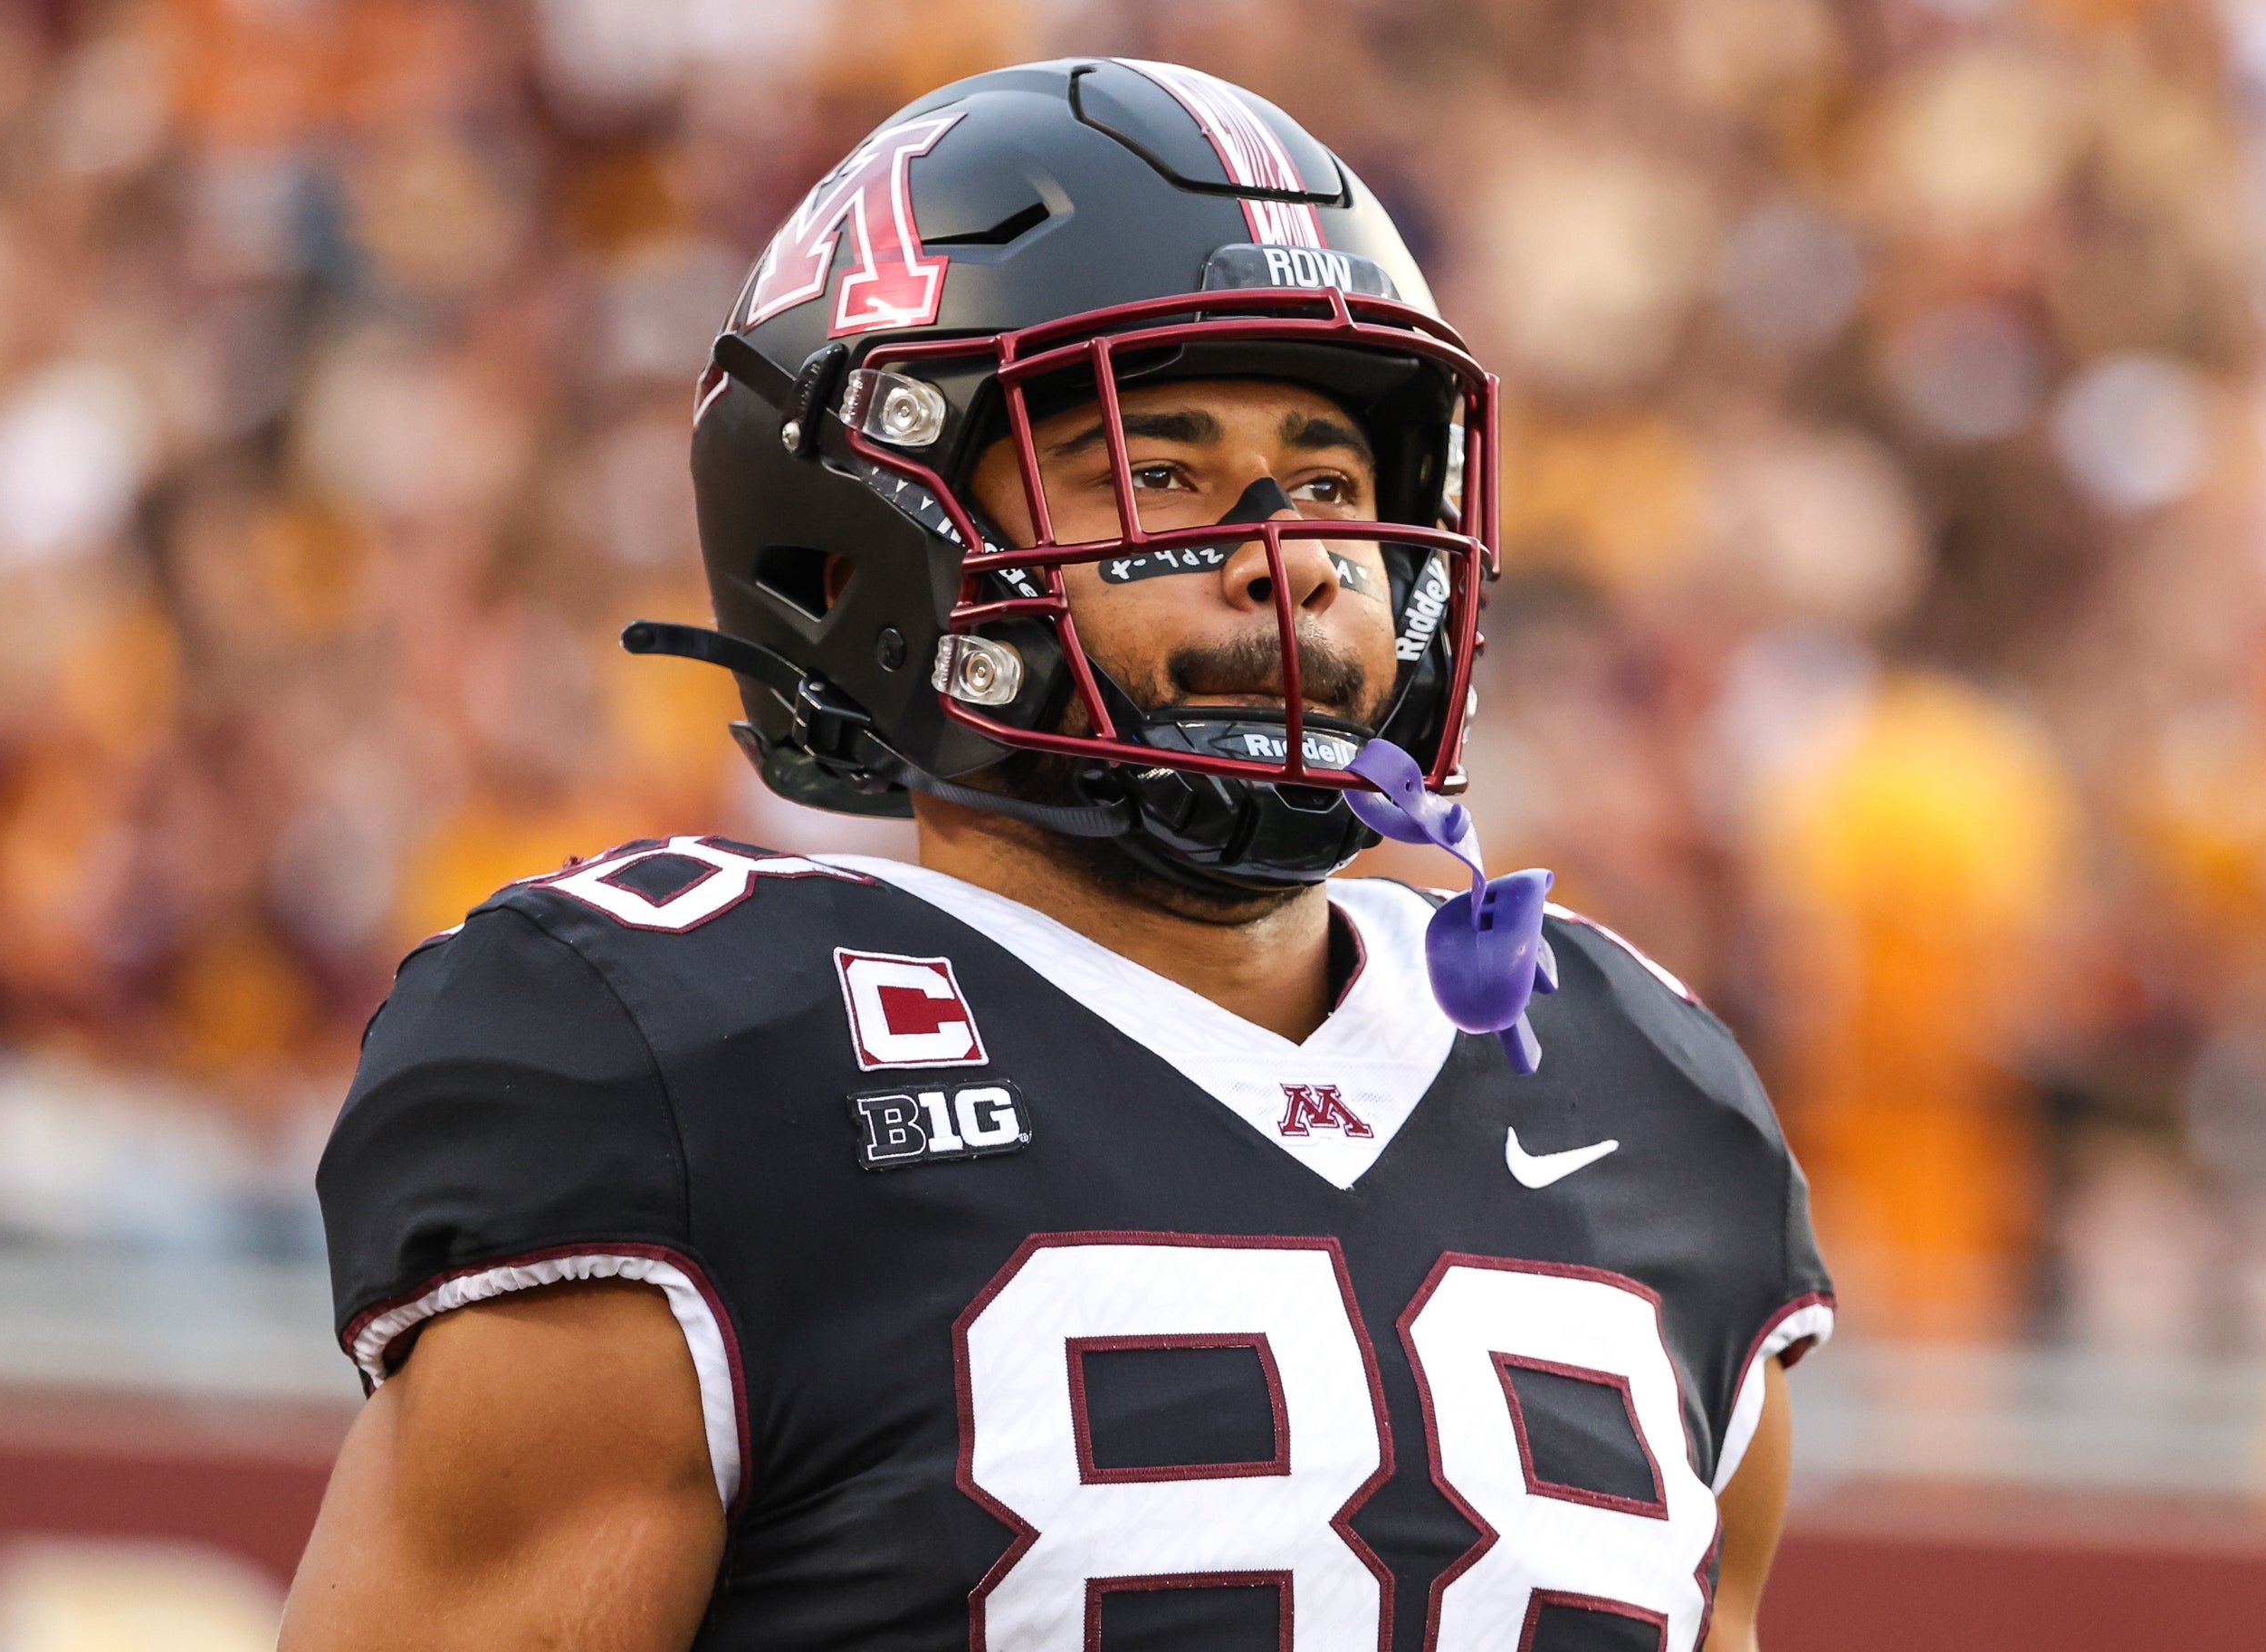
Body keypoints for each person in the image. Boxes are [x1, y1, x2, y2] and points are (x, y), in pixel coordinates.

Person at [282, 58, 1831, 1652]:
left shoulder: (1645, 1096)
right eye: (1154, 475)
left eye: (1327, 484)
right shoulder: (690, 1057)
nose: (1281, 561)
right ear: (877, 532)